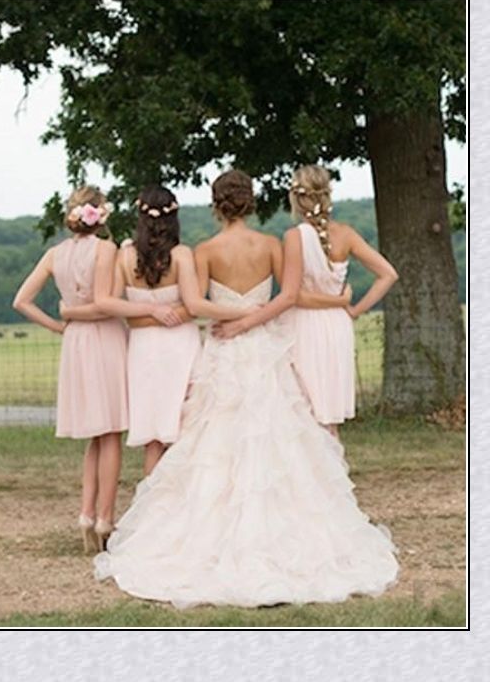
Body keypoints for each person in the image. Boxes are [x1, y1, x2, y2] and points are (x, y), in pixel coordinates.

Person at [94, 170, 397, 608]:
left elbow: (196, 305)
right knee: (278, 434)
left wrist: (233, 320)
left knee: (214, 439)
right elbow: (289, 295)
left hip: (223, 349)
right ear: (251, 204)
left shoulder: (204, 251)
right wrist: (253, 318)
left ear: (217, 206)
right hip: (263, 349)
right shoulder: (271, 246)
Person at [11, 188, 127, 552]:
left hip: (75, 343)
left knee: (96, 435)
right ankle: (105, 518)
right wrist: (72, 317)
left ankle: (85, 513)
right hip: (105, 339)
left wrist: (61, 324)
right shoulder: (108, 250)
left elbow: (21, 301)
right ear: (102, 215)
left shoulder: (54, 254)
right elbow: (108, 306)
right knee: (110, 433)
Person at [65, 187, 201, 479]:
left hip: (143, 348)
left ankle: (152, 506)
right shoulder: (182, 255)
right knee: (181, 427)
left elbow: (111, 302)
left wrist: (142, 317)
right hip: (181, 345)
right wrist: (161, 312)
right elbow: (193, 306)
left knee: (153, 435)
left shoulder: (125, 257)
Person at [277, 164, 399, 441]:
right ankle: (333, 476)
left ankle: (317, 478)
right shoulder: (347, 234)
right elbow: (388, 274)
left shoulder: (294, 237)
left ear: (296, 198)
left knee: (305, 407)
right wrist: (352, 309)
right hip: (337, 326)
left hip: (304, 327)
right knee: (328, 409)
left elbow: (293, 295)